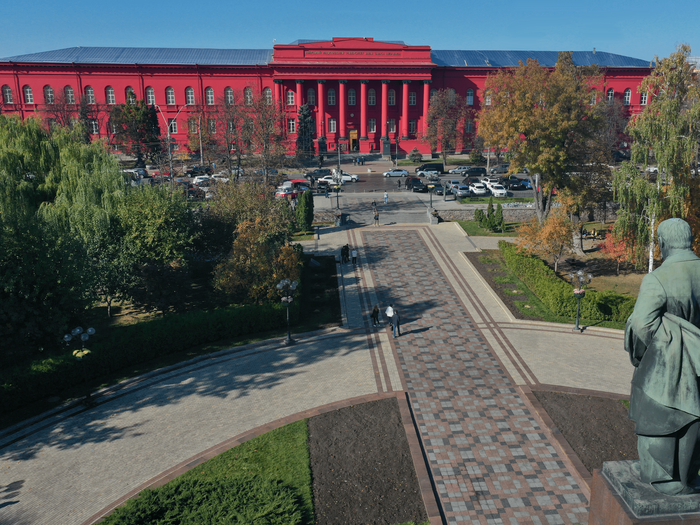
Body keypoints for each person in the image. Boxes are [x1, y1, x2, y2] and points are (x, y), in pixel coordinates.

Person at [625, 218, 700, 495]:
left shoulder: (657, 278)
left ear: (663, 243)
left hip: (667, 367)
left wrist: (652, 354)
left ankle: (664, 479)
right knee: (694, 418)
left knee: (659, 417)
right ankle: (687, 477)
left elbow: (641, 324)